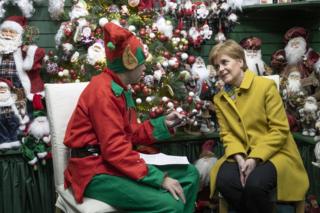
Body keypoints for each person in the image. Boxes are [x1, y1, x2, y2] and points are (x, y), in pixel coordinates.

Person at [63, 22, 199, 213]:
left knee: (190, 174)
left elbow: (129, 135)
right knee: (170, 204)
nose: (145, 67)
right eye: (141, 61)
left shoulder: (120, 90)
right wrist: (160, 178)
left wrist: (163, 124)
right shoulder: (103, 92)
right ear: (129, 62)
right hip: (94, 171)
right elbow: (115, 150)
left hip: (112, 163)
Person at [208, 39, 309, 213]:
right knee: (223, 180)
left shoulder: (265, 86)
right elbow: (227, 134)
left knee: (255, 185)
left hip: (275, 153)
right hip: (241, 152)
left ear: (240, 61)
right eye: (217, 66)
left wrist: (254, 159)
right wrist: (240, 158)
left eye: (224, 62)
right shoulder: (219, 99)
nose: (221, 69)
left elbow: (279, 130)